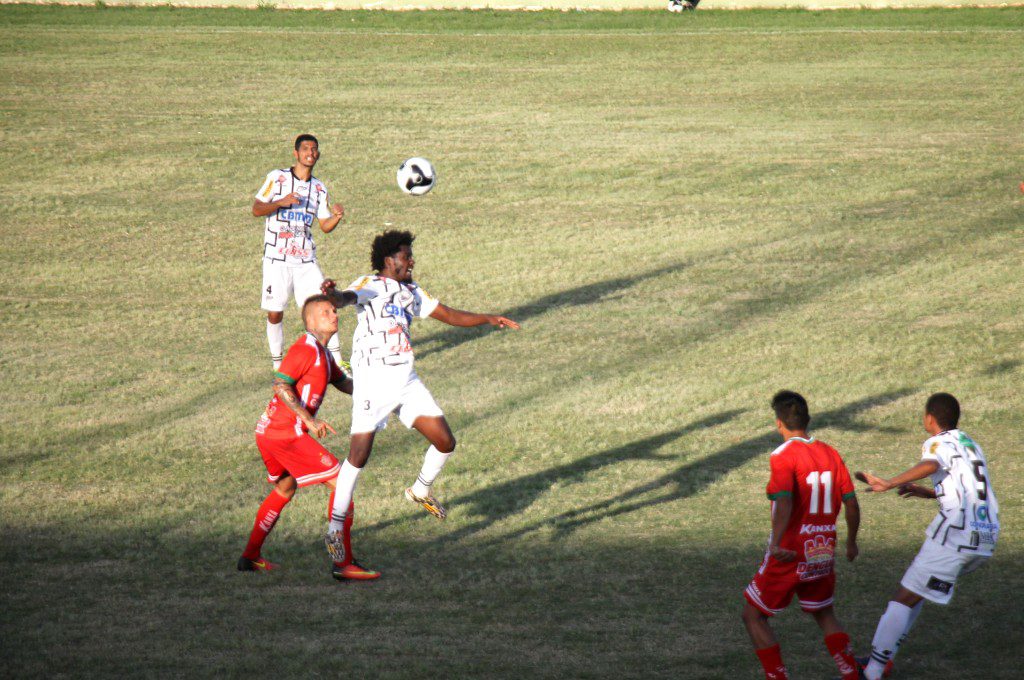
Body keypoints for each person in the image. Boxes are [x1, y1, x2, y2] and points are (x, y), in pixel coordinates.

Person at [319, 230, 519, 576]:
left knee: (445, 441)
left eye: (410, 256)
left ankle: (420, 490)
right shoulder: (370, 284)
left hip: (406, 381)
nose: (411, 261)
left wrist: (487, 318)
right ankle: (335, 528)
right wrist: (333, 295)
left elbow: (448, 314)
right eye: (406, 256)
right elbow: (347, 298)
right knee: (359, 456)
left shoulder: (412, 292)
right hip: (374, 381)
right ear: (389, 260)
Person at [857, 393, 999, 680]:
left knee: (902, 598)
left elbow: (932, 464)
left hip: (956, 536)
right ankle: (882, 658)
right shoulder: (970, 443)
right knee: (917, 592)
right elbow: (969, 487)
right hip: (985, 536)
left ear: (930, 418)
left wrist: (890, 482)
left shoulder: (936, 442)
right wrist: (930, 493)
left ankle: (872, 672)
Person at [238, 294, 379, 581]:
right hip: (285, 432)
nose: (334, 315)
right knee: (341, 484)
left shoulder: (323, 353)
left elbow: (344, 383)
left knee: (285, 487)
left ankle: (249, 557)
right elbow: (280, 384)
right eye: (326, 312)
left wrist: (381, 391)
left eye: (334, 311)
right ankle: (343, 563)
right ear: (311, 320)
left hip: (268, 431)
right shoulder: (305, 349)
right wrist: (308, 419)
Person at [742, 391, 861, 680]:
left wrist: (776, 542)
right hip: (822, 549)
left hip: (790, 550)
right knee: (824, 612)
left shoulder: (783, 455)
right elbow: (851, 503)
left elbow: (784, 502)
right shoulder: (831, 453)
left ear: (778, 423)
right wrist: (851, 542)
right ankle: (851, 672)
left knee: (753, 615)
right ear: (808, 420)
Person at [253, 134, 346, 370]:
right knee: (275, 312)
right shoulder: (278, 178)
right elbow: (256, 208)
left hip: (305, 261)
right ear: (296, 153)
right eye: (305, 149)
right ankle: (277, 364)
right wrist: (279, 202)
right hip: (277, 259)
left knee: (325, 306)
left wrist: (336, 217)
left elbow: (324, 226)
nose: (310, 153)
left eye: (314, 149)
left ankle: (337, 362)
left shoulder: (319, 188)